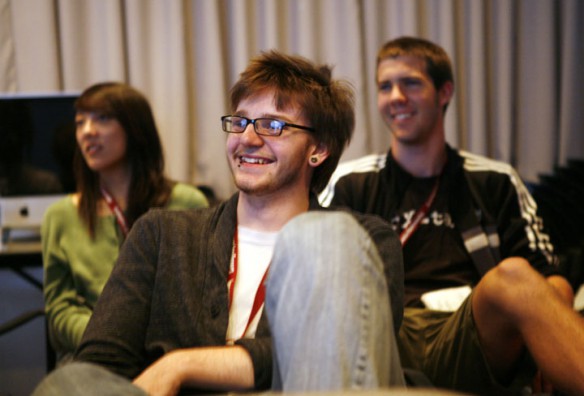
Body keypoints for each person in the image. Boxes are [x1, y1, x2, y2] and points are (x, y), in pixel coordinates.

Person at [33, 51, 405, 395]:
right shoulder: (162, 235)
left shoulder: (366, 242)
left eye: (272, 125)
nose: (247, 138)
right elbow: (101, 362)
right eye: (240, 121)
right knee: (68, 379)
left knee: (330, 236)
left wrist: (182, 364)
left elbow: (334, 356)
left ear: (318, 149)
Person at [320, 36, 584, 394]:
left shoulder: (494, 180)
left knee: (515, 275)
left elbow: (551, 280)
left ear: (444, 92)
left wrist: (547, 342)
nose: (395, 97)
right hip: (385, 331)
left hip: (472, 331)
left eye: (410, 83)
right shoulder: (352, 182)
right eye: (385, 86)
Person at [41, 82, 209, 362]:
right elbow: (59, 315)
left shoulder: (187, 203)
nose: (87, 132)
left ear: (135, 127)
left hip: (171, 355)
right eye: (80, 122)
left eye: (102, 118)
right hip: (94, 356)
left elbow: (202, 298)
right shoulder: (60, 217)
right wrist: (111, 338)